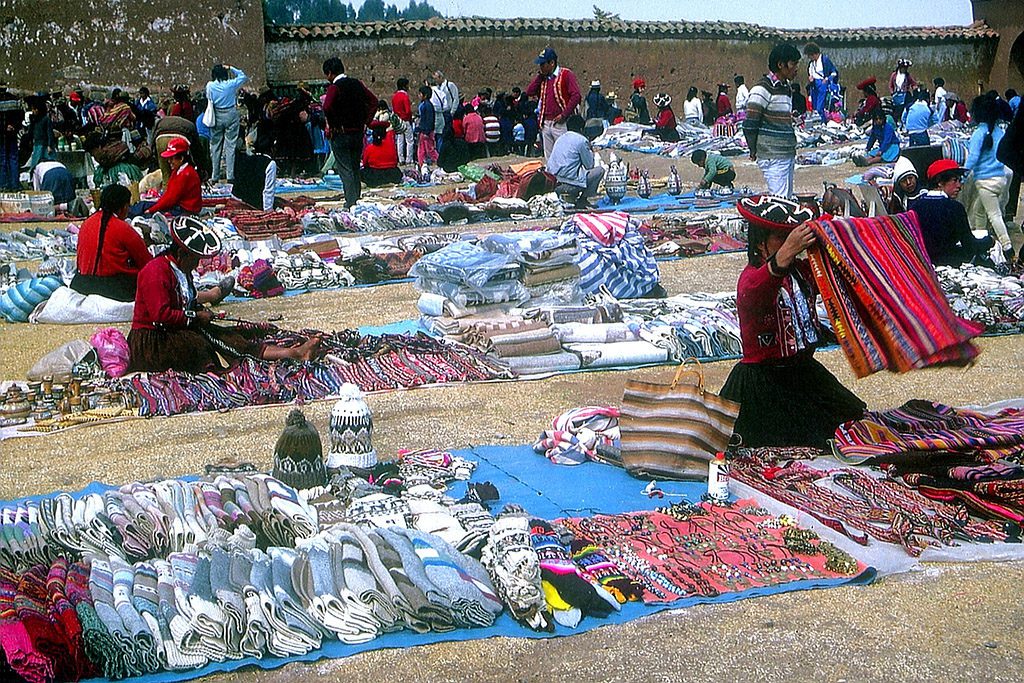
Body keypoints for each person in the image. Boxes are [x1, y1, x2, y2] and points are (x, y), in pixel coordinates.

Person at [719, 219, 865, 449]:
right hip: (764, 384)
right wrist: (788, 250)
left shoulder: (800, 273)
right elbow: (759, 288)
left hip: (804, 374)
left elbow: (838, 273)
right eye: (780, 237)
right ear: (760, 243)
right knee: (788, 444)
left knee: (855, 421)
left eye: (790, 235)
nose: (790, 242)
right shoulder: (751, 278)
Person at [128, 217, 319, 374]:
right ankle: (290, 354)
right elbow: (160, 315)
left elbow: (186, 303)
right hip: (153, 342)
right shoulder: (156, 272)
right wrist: (195, 317)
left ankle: (293, 353)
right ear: (181, 253)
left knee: (228, 335)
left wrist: (199, 312)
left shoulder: (180, 270)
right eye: (194, 259)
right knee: (201, 345)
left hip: (172, 330)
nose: (196, 265)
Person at [70, 184, 152, 302]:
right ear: (124, 207)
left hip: (83, 283)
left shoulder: (87, 223)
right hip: (112, 288)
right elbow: (146, 262)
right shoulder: (122, 228)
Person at [910, 159, 993, 267]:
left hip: (923, 264)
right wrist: (989, 241)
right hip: (951, 264)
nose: (959, 186)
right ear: (940, 182)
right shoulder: (955, 208)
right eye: (955, 180)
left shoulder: (915, 207)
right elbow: (970, 246)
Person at [744, 43, 800, 198]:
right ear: (781, 65)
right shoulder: (762, 89)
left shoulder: (786, 88)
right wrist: (753, 150)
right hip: (773, 155)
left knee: (786, 199)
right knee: (780, 202)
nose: (796, 68)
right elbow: (750, 124)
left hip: (786, 153)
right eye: (793, 64)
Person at [322, 57, 378, 208]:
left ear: (330, 73)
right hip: (357, 132)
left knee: (345, 169)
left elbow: (327, 107)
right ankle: (356, 198)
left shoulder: (335, 87)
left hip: (341, 133)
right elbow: (373, 101)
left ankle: (350, 201)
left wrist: (333, 124)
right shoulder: (357, 84)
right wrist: (366, 121)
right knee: (354, 167)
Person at [965, 95, 1014, 264]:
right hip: (1000, 178)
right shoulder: (999, 132)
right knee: (979, 210)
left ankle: (1008, 249)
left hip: (986, 181)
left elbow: (973, 157)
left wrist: (963, 173)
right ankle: (981, 240)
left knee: (994, 215)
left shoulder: (979, 133)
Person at [525, 47, 582, 159]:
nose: (541, 67)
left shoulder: (566, 74)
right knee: (549, 157)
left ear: (552, 63)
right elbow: (529, 91)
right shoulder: (543, 79)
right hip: (546, 122)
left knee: (563, 155)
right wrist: (539, 76)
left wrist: (564, 114)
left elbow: (576, 96)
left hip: (560, 123)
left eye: (543, 64)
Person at [546, 114, 605, 208]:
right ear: (581, 129)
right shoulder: (581, 140)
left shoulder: (560, 138)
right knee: (600, 170)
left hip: (555, 178)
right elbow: (589, 165)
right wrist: (590, 151)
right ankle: (583, 199)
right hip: (569, 181)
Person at [135, 137, 201, 216]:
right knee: (144, 205)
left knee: (144, 209)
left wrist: (151, 210)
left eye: (172, 158)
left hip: (184, 210)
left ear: (181, 158)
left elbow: (170, 199)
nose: (169, 161)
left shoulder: (185, 174)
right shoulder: (179, 171)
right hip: (180, 206)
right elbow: (169, 195)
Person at [205, 64, 248, 184]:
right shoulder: (230, 84)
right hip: (230, 113)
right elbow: (243, 76)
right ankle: (230, 175)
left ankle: (215, 175)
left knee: (215, 146)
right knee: (230, 146)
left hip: (216, 114)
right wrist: (231, 68)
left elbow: (209, 97)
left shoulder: (210, 85)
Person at [804, 42, 839, 122]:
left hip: (822, 84)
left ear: (814, 54)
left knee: (820, 106)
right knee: (814, 106)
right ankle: (819, 122)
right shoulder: (811, 63)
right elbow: (810, 73)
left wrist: (827, 79)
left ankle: (822, 122)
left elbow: (834, 73)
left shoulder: (825, 60)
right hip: (814, 85)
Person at [361, 121, 402, 187]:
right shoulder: (391, 146)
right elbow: (395, 161)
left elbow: (365, 163)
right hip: (392, 174)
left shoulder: (369, 148)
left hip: (375, 176)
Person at [0, 83, 23, 190]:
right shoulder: (14, 99)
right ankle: (14, 185)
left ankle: (4, 185)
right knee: (13, 159)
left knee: (2, 159)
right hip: (12, 134)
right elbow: (21, 115)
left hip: (1, 135)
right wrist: (14, 126)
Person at [24, 93, 55, 170]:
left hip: (44, 145)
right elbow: (31, 132)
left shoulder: (46, 119)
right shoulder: (34, 120)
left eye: (35, 109)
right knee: (35, 165)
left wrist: (50, 145)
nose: (33, 111)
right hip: (36, 145)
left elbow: (49, 133)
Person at [391, 78, 415, 164]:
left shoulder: (394, 96)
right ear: (405, 86)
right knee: (409, 140)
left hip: (398, 120)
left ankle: (401, 159)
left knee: (400, 140)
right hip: (405, 120)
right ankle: (409, 159)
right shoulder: (405, 96)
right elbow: (408, 110)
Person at [415, 85, 439, 167]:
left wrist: (427, 131)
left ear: (425, 95)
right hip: (423, 130)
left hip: (426, 131)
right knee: (422, 149)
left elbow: (429, 120)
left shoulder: (427, 105)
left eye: (420, 94)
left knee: (430, 149)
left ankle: (438, 161)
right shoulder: (425, 104)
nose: (419, 95)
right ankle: (421, 163)